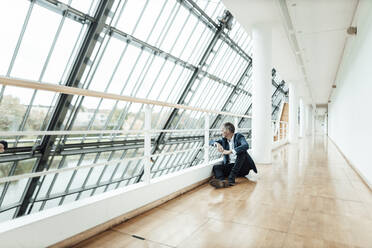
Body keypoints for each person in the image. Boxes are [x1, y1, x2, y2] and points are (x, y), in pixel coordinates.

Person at [209, 122, 257, 188]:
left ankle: (231, 180)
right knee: (216, 167)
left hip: (243, 168)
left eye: (222, 130)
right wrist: (217, 144)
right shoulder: (224, 140)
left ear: (228, 131)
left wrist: (230, 151)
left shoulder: (238, 136)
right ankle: (222, 182)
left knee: (242, 152)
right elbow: (210, 142)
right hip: (232, 167)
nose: (221, 132)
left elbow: (245, 145)